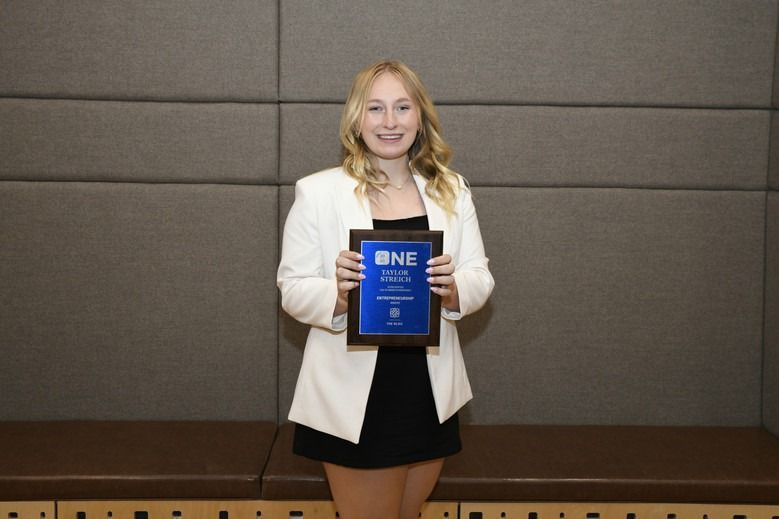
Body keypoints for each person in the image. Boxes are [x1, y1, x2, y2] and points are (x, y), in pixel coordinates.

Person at [277, 59, 494, 519]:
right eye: (375, 108)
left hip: (429, 392)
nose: (390, 122)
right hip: (354, 399)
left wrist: (452, 290)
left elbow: (481, 276)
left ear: (420, 116)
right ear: (356, 119)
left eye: (402, 107)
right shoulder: (318, 193)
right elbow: (291, 288)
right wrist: (338, 294)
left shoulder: (451, 191)